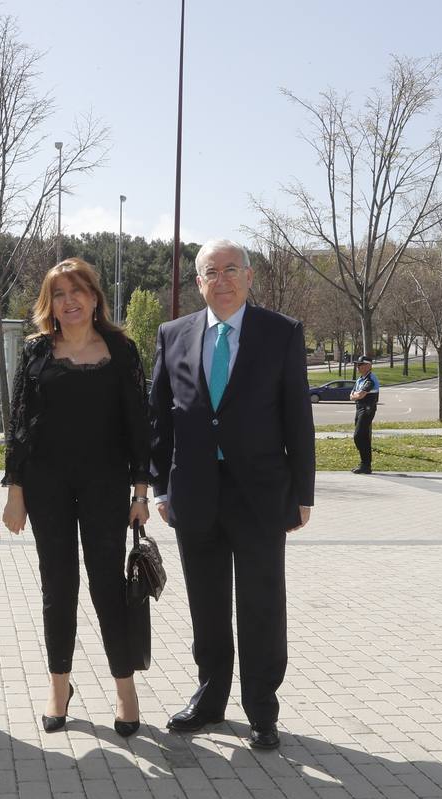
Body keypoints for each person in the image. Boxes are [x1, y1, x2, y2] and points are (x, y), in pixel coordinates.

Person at [149, 238, 315, 751]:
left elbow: (297, 418)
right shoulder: (173, 334)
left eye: (229, 270)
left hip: (261, 494)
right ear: (197, 282)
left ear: (248, 276)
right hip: (196, 493)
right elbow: (160, 417)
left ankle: (262, 707)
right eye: (208, 272)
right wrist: (159, 484)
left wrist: (302, 492)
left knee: (262, 603)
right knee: (207, 604)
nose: (219, 280)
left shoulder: (281, 333)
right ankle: (211, 697)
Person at [1, 258, 151, 737]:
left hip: (105, 485)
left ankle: (125, 691)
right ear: (50, 302)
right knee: (57, 587)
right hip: (47, 486)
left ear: (94, 296)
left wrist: (142, 489)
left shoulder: (122, 350)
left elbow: (139, 424)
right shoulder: (36, 352)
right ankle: (58, 686)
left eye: (77, 291)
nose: (69, 302)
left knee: (108, 587)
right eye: (59, 293)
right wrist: (15, 491)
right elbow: (20, 423)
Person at [348, 356, 380, 475]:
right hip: (359, 408)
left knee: (358, 436)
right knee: (363, 437)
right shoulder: (360, 379)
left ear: (368, 366)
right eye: (357, 364)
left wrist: (356, 395)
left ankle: (365, 464)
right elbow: (351, 395)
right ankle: (365, 465)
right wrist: (356, 395)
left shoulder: (370, 379)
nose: (358, 366)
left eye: (360, 364)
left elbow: (359, 395)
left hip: (367, 409)